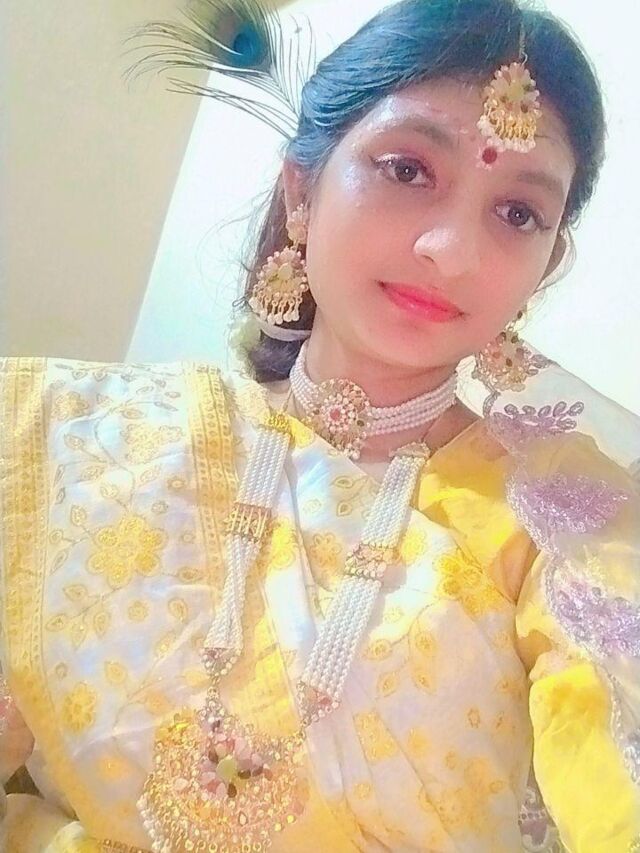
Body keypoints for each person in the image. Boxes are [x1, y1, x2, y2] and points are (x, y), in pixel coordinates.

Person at [1, 0, 639, 850]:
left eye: (519, 213)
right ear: (301, 188)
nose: (452, 249)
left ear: (544, 266)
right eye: (408, 169)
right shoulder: (69, 437)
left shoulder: (565, 521)